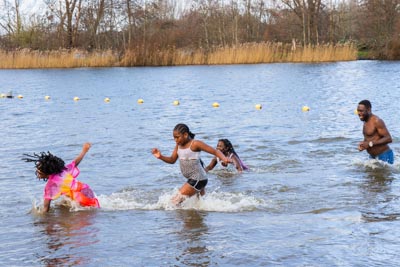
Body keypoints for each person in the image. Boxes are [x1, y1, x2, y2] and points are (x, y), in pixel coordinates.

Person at [152, 123, 231, 204]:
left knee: (174, 202)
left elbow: (215, 151)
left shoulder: (195, 144)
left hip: (198, 179)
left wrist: (224, 158)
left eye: (177, 137)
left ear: (185, 135)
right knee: (198, 205)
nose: (175, 140)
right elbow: (172, 160)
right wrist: (160, 156)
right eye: (174, 138)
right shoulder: (178, 145)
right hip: (194, 179)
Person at [23, 142, 100, 212]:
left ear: (46, 172)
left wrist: (42, 220)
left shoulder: (49, 186)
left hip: (79, 197)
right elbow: (75, 162)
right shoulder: (63, 170)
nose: (37, 172)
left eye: (39, 171)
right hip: (86, 189)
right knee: (92, 207)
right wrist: (84, 151)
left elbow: (46, 208)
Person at [357, 100, 394, 164]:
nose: (359, 113)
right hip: (373, 157)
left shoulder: (377, 121)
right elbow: (369, 137)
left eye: (361, 111)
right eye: (358, 111)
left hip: (384, 155)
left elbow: (389, 138)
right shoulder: (365, 121)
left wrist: (369, 144)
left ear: (369, 110)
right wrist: (363, 145)